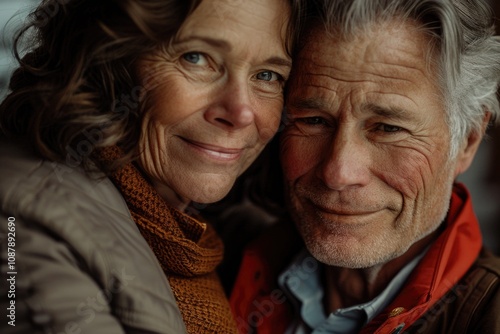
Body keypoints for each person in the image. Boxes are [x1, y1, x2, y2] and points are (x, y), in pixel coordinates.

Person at [0, 0, 301, 333]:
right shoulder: (27, 226)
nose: (241, 112)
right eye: (196, 57)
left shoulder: (207, 234)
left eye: (267, 75)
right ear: (110, 58)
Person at [230, 0, 500, 333]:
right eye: (314, 121)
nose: (339, 172)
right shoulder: (226, 256)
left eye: (388, 128)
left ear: (468, 140)